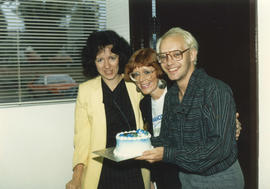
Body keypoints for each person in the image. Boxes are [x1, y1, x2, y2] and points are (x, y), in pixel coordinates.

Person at [136, 27, 245, 188]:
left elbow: (219, 149)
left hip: (220, 179)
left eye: (176, 54)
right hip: (186, 178)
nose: (169, 61)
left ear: (192, 54)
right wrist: (137, 145)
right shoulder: (172, 95)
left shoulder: (215, 90)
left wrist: (167, 154)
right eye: (163, 57)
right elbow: (167, 138)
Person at [66, 30, 150, 189]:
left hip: (135, 171)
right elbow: (81, 140)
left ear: (121, 57)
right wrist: (76, 177)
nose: (107, 66)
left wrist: (152, 178)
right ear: (93, 62)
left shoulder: (136, 86)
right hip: (101, 173)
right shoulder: (86, 91)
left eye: (112, 58)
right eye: (100, 59)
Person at [124, 48, 182, 189]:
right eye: (135, 74)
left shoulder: (178, 95)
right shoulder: (144, 104)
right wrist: (152, 179)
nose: (141, 79)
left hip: (183, 172)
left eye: (147, 72)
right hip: (162, 173)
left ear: (158, 71)